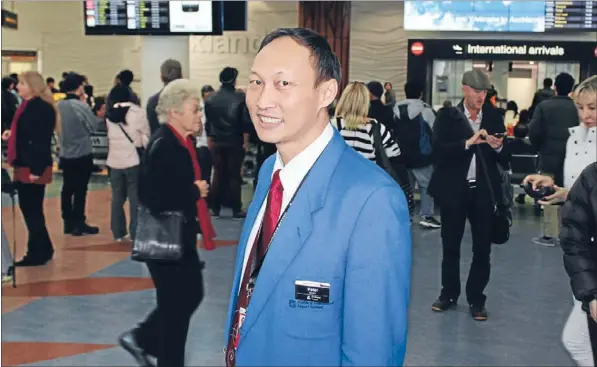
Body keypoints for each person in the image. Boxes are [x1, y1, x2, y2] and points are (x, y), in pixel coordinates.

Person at [224, 28, 411, 367]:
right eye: (256, 82)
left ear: (326, 92)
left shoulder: (372, 200)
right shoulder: (270, 172)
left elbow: (373, 352)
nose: (263, 99)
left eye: (283, 84)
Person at [118, 79, 212, 367]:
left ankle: (144, 339)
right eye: (195, 109)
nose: (199, 115)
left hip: (178, 236)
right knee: (176, 309)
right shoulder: (165, 145)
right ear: (174, 112)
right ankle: (151, 345)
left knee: (186, 298)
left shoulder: (181, 142)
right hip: (165, 241)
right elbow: (153, 196)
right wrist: (194, 191)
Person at [524, 75, 597, 366]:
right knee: (578, 340)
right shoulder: (575, 138)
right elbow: (583, 195)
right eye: (580, 107)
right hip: (580, 254)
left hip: (591, 257)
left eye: (592, 107)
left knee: (578, 339)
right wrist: (556, 189)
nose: (586, 115)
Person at [428, 69, 507, 321]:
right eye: (476, 91)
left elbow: (505, 158)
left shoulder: (494, 117)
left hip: (483, 191)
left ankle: (476, 299)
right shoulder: (448, 117)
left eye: (484, 92)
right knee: (450, 244)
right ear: (464, 89)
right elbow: (437, 150)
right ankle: (448, 294)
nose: (480, 97)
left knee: (482, 248)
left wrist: (500, 146)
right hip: (454, 190)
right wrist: (467, 144)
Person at [331, 81, 415, 216]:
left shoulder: (331, 126)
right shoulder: (376, 127)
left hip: (336, 193)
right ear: (365, 102)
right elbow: (396, 156)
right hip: (368, 194)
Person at [1, 71, 57, 266]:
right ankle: (44, 248)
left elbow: (39, 140)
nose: (17, 87)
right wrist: (11, 132)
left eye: (22, 84)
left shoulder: (40, 108)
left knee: (31, 210)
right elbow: (25, 132)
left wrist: (36, 169)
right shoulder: (26, 105)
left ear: (32, 86)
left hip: (33, 165)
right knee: (32, 209)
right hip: (24, 163)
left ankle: (37, 252)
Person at [57, 72, 100, 236]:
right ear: (79, 87)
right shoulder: (80, 106)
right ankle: (78, 222)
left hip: (65, 151)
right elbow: (93, 126)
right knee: (81, 189)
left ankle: (67, 221)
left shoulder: (58, 105)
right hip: (82, 151)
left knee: (67, 187)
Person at [393, 80, 441, 228]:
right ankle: (426, 216)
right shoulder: (425, 110)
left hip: (401, 155)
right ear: (421, 93)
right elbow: (436, 131)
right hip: (422, 155)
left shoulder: (396, 109)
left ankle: (405, 216)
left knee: (405, 187)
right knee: (426, 186)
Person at [106, 85, 150, 242]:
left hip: (114, 161)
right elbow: (145, 135)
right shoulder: (137, 112)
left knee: (117, 198)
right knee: (134, 198)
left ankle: (118, 232)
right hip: (132, 160)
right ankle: (135, 232)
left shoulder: (110, 113)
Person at [204, 67, 250, 219]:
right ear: (234, 80)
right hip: (234, 141)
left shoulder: (211, 99)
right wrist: (245, 141)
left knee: (217, 174)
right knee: (234, 175)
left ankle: (214, 207)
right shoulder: (240, 98)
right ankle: (235, 208)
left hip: (216, 141)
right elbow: (244, 122)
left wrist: (210, 139)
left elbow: (208, 123)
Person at [528, 72, 579, 187]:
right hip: (570, 159)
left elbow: (534, 131)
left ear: (555, 87)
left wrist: (539, 148)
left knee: (545, 192)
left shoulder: (543, 106)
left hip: (547, 158)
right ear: (571, 89)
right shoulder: (577, 108)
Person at [146, 59, 183, 134]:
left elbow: (152, 129)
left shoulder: (152, 102)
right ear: (181, 76)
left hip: (159, 144)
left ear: (161, 76)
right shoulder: (188, 100)